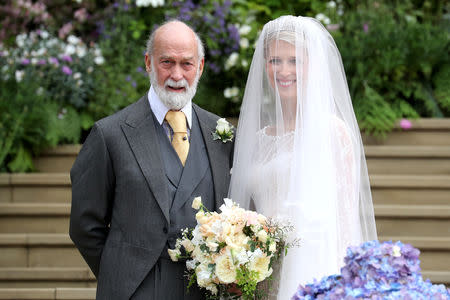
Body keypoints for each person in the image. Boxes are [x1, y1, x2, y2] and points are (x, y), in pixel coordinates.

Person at [69, 20, 234, 300]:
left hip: (206, 290)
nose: (177, 75)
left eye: (187, 64)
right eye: (166, 62)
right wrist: (122, 274)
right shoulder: (109, 134)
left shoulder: (222, 134)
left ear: (201, 67)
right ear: (148, 62)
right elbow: (85, 226)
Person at [228, 15, 377, 299]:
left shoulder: (331, 132)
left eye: (294, 60)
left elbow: (344, 221)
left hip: (312, 268)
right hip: (260, 271)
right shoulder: (258, 139)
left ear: (313, 66)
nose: (283, 71)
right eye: (275, 61)